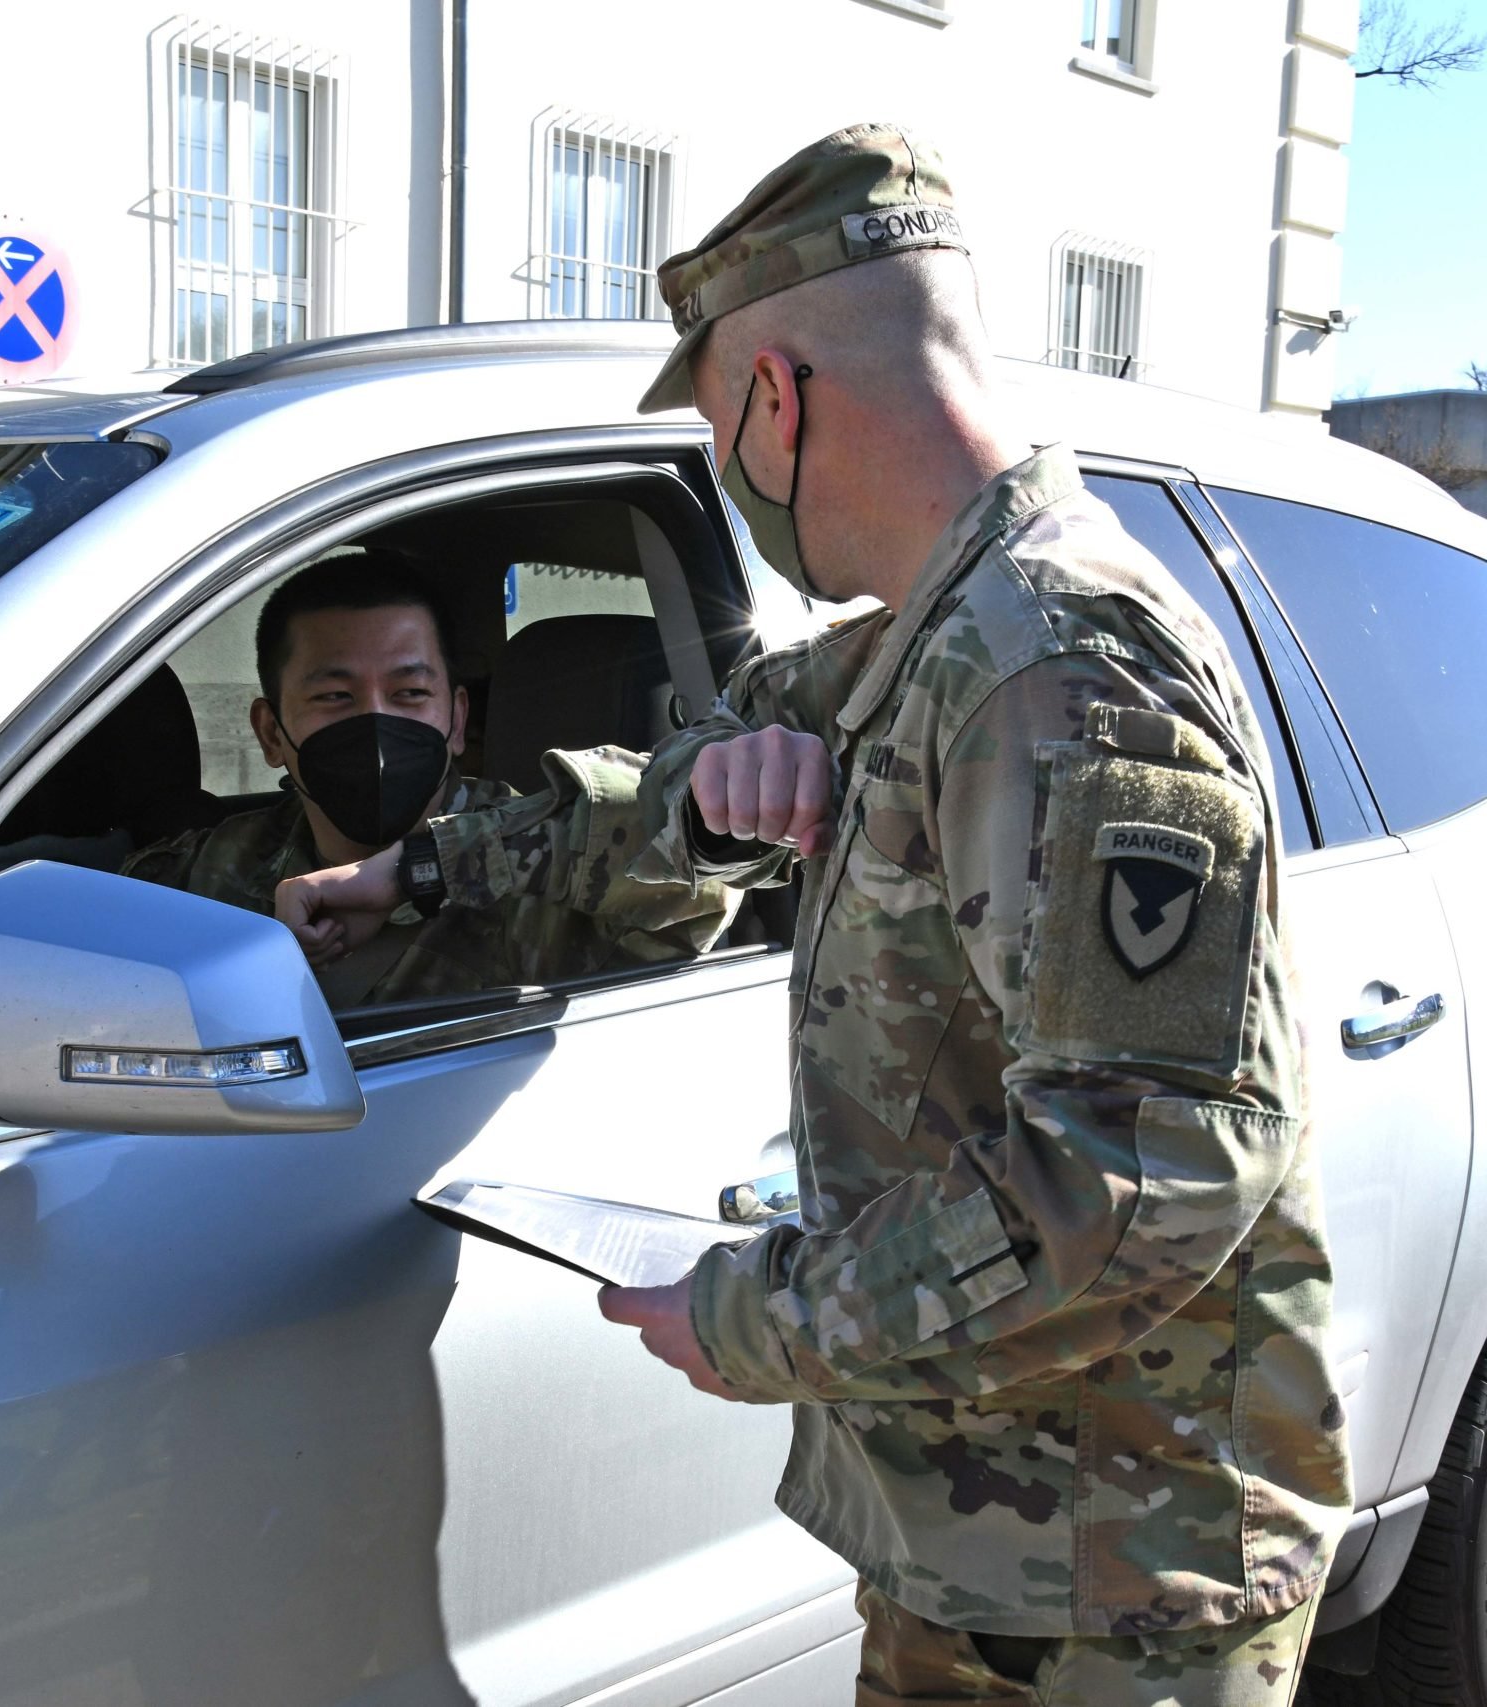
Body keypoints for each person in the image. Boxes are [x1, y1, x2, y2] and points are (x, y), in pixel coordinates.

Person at [276, 126, 1345, 1704]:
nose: (727, 477)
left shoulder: (1062, 667)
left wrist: (761, 1313)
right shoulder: (927, 638)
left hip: (1110, 1588)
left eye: (717, 429)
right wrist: (431, 871)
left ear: (776, 397)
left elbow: (1151, 1171)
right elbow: (685, 767)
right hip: (994, 1553)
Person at [122, 549, 736, 1006]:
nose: (377, 723)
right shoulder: (213, 873)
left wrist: (421, 868)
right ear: (271, 733)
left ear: (458, 718)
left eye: (410, 693)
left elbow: (693, 848)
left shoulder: (543, 875)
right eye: (335, 696)